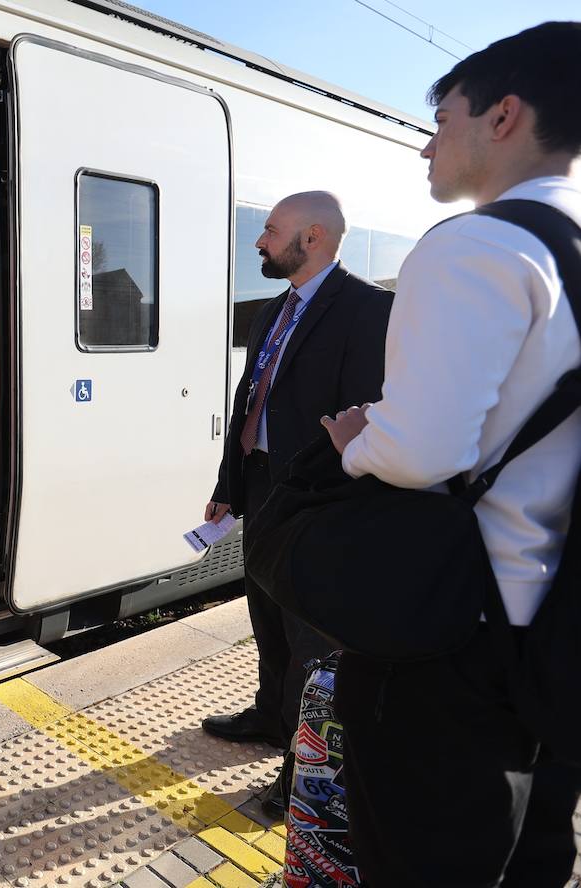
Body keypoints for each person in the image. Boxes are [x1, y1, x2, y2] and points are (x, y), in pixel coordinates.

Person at [321, 22, 581, 886]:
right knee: (532, 856)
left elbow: (422, 451)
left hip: (452, 645)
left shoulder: (477, 246)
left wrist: (360, 441)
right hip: (556, 632)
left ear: (503, 115)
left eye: (441, 119)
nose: (427, 145)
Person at [202, 191, 393, 811]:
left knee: (312, 638)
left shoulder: (368, 310)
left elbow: (365, 417)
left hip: (320, 499)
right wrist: (228, 487)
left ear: (311, 238)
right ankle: (268, 716)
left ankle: (303, 769)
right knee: (265, 614)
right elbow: (249, 404)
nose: (259, 242)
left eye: (270, 231)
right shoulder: (271, 313)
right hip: (262, 488)